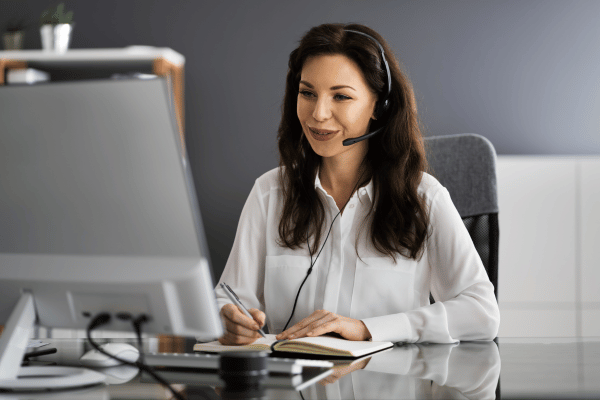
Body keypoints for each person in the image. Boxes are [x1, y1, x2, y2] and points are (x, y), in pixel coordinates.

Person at [214, 22, 500, 345]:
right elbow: (227, 298)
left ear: (379, 106)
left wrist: (367, 330)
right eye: (307, 93)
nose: (318, 114)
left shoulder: (424, 199)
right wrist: (226, 318)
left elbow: (483, 312)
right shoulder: (269, 195)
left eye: (341, 96)